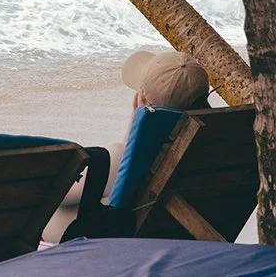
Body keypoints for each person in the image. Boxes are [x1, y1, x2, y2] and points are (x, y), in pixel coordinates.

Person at [42, 47, 212, 242]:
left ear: (141, 100)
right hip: (176, 235)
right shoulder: (211, 148)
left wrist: (133, 133)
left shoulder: (116, 158)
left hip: (110, 244)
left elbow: (53, 194)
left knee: (56, 207)